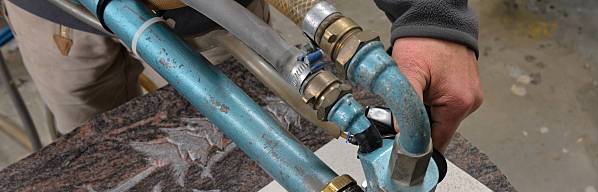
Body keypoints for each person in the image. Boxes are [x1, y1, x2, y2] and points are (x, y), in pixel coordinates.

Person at [4, 0, 482, 151]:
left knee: (233, 128)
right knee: (89, 133)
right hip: (56, 14)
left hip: (213, 13)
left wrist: (431, 14)